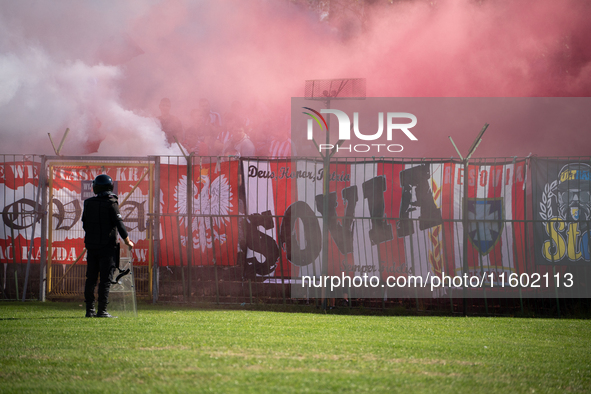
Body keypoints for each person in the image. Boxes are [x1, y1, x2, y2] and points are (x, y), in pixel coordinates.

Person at [82, 174, 134, 318]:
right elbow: (120, 224)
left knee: (91, 278)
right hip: (107, 247)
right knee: (105, 279)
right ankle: (102, 311)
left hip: (91, 246)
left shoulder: (88, 203)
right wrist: (127, 240)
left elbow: (85, 224)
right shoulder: (111, 203)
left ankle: (89, 310)